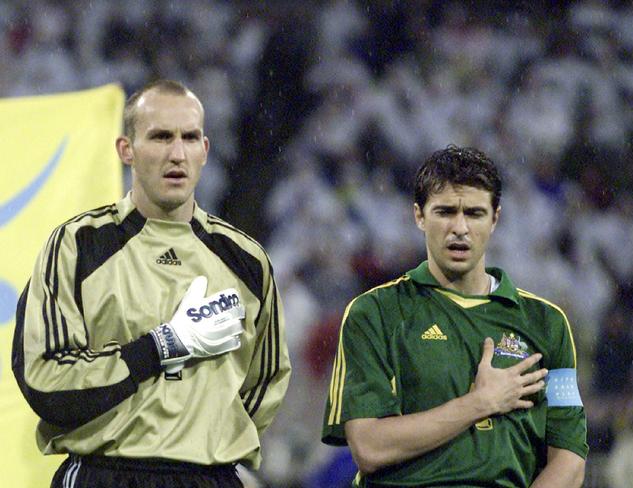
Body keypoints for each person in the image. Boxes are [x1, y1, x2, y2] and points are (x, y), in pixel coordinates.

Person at [12, 79, 291, 488]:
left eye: (189, 137)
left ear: (205, 150)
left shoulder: (247, 262)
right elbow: (44, 379)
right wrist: (159, 348)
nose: (177, 153)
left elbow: (265, 381)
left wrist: (199, 441)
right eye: (160, 137)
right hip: (103, 474)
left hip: (208, 479)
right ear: (127, 149)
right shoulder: (78, 245)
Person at [322, 145, 587, 487]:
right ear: (419, 216)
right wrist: (479, 403)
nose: (459, 228)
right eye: (445, 211)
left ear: (495, 219)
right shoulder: (375, 313)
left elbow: (570, 458)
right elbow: (369, 447)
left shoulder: (547, 323)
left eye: (474, 213)